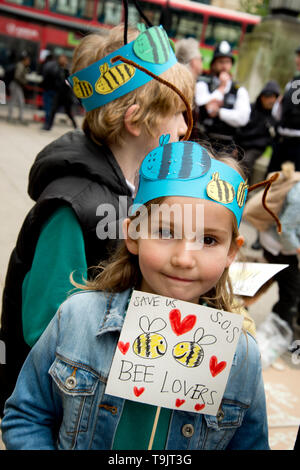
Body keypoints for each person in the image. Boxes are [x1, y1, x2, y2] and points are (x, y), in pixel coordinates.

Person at [1, 139, 269, 450]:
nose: (184, 257)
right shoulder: (77, 319)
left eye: (208, 239)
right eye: (166, 232)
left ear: (231, 253)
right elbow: (26, 414)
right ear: (133, 235)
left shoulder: (241, 357)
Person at [0, 24, 194, 416]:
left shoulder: (143, 189)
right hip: (64, 407)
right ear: (136, 121)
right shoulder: (70, 208)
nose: (185, 128)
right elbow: (44, 328)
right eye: (177, 114)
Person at [195, 40, 251, 153]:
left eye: (227, 62)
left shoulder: (238, 90)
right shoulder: (203, 83)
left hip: (227, 146)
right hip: (202, 141)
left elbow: (243, 118)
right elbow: (204, 105)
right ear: (213, 63)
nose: (224, 66)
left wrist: (220, 112)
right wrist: (221, 88)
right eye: (220, 61)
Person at [237, 80, 280, 182]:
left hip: (255, 148)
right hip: (241, 144)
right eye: (267, 97)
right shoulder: (250, 109)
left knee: (246, 162)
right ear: (261, 97)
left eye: (272, 97)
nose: (269, 100)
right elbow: (239, 129)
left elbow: (270, 140)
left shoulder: (274, 118)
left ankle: (243, 191)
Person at [267, 45, 300, 173]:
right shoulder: (292, 83)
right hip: (282, 141)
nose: (297, 60)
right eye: (298, 56)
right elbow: (278, 113)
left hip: (297, 146)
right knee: (272, 180)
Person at [43, 54, 77, 131]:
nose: (61, 60)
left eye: (63, 59)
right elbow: (54, 76)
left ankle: (76, 126)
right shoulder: (56, 67)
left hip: (66, 94)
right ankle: (48, 126)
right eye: (60, 58)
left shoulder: (68, 69)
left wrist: (65, 69)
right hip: (58, 93)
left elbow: (70, 80)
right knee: (53, 110)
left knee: (68, 112)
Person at [7, 51, 31, 125]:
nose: (28, 61)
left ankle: (19, 117)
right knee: (14, 101)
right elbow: (17, 76)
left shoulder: (24, 66)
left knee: (19, 102)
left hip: (18, 86)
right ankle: (11, 117)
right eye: (27, 60)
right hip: (15, 85)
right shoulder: (20, 65)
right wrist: (24, 82)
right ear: (24, 59)